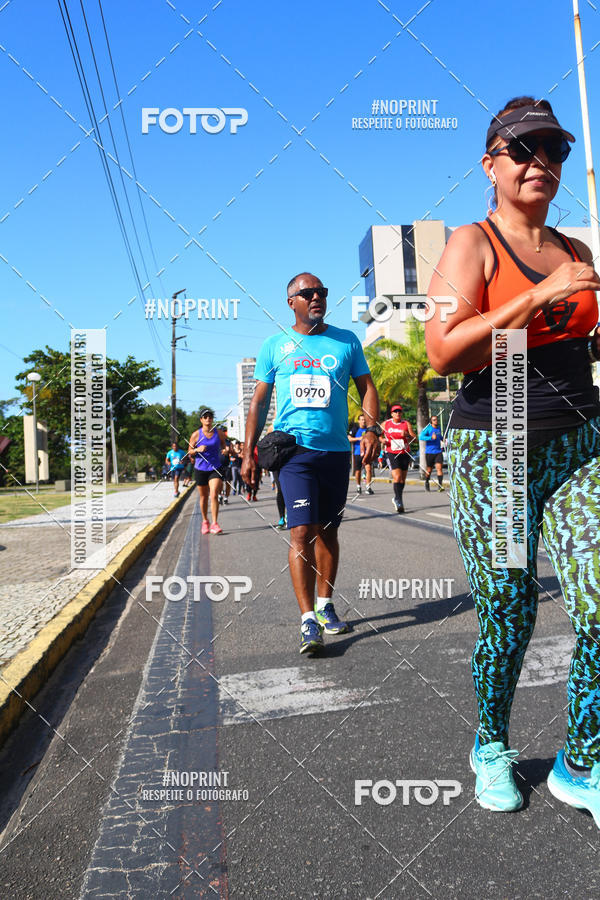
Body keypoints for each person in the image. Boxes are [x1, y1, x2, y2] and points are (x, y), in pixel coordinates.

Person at [426, 96, 600, 822]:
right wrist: (539, 297)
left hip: (581, 439)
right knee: (507, 608)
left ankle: (580, 761)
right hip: (496, 441)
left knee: (598, 602)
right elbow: (444, 350)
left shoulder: (578, 250)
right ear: (490, 162)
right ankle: (491, 745)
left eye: (555, 150)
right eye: (524, 149)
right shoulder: (474, 242)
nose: (542, 163)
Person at [242, 272, 380, 653]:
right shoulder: (275, 345)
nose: (317, 297)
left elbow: (367, 388)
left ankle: (325, 606)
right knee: (301, 532)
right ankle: (307, 621)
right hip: (294, 453)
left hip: (335, 451)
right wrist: (248, 453)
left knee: (329, 532)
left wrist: (370, 430)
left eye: (321, 291)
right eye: (308, 293)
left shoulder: (346, 340)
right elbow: (258, 402)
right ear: (292, 302)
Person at [188, 408, 228, 535]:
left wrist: (225, 450)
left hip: (215, 467)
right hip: (200, 469)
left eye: (210, 417)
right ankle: (205, 521)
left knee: (214, 493)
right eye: (205, 417)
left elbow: (224, 445)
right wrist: (197, 449)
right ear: (201, 420)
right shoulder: (196, 434)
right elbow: (189, 451)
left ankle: (215, 523)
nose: (208, 419)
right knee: (203, 497)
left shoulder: (219, 433)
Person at [382, 404, 416, 513]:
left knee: (402, 479)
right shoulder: (386, 424)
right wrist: (382, 440)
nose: (398, 413)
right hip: (391, 453)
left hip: (404, 453)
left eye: (399, 411)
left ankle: (397, 497)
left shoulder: (406, 424)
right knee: (397, 477)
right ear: (392, 414)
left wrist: (407, 435)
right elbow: (377, 434)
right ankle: (399, 500)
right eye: (395, 412)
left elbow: (415, 439)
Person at [349, 414, 374, 494]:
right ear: (359, 421)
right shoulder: (355, 429)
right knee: (358, 471)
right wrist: (358, 438)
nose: (363, 421)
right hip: (358, 453)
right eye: (362, 419)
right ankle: (358, 486)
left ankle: (368, 487)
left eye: (364, 420)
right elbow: (349, 438)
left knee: (368, 469)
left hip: (367, 453)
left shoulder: (368, 430)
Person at [419, 415, 444, 491]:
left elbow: (440, 437)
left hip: (438, 451)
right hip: (429, 452)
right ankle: (427, 482)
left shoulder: (439, 428)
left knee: (439, 468)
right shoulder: (428, 428)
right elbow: (421, 437)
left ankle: (440, 486)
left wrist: (444, 439)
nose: (436, 421)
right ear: (431, 421)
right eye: (434, 420)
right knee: (429, 470)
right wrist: (430, 438)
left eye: (436, 419)